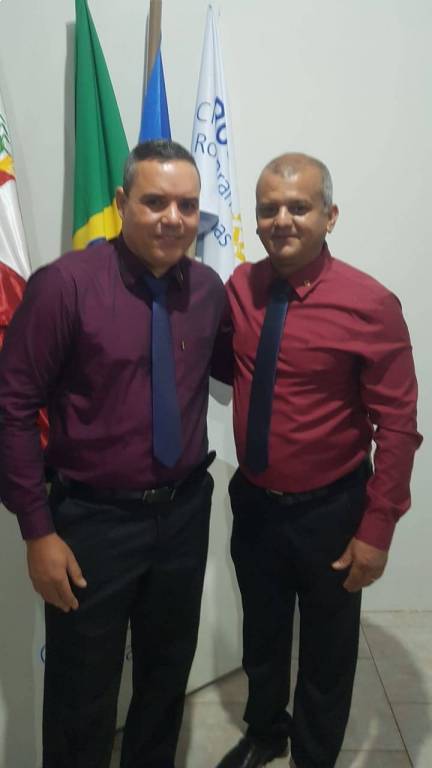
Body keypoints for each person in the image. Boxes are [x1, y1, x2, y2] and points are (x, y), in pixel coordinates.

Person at [0, 140, 226, 768]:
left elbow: (239, 369)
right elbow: (11, 408)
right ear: (122, 202)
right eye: (155, 202)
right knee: (81, 696)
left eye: (187, 205)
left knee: (164, 679)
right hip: (92, 524)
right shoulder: (64, 286)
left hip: (183, 516)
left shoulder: (208, 290)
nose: (173, 218)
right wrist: (37, 530)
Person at [215, 153, 422, 768]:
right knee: (262, 632)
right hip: (255, 500)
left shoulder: (371, 304)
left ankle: (313, 756)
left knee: (328, 650)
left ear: (330, 216)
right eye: (269, 209)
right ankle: (264, 732)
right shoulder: (240, 288)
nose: (281, 220)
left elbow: (399, 427)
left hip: (332, 509)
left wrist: (377, 529)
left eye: (299, 207)